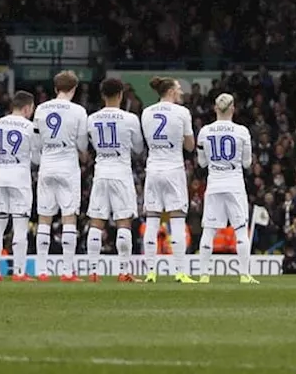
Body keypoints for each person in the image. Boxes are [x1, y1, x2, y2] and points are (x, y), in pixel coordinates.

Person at [85, 78, 144, 283]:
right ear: (121, 95)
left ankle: (93, 271)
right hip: (121, 172)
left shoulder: (91, 118)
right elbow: (138, 148)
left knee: (96, 221)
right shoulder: (130, 119)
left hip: (101, 171)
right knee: (123, 221)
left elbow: (88, 145)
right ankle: (123, 271)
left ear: (102, 95)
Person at [34, 70, 88, 282]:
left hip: (47, 163)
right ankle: (66, 271)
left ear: (56, 88)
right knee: (69, 217)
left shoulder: (41, 109)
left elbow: (36, 143)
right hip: (68, 164)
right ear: (73, 89)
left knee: (44, 218)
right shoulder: (78, 111)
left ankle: (42, 270)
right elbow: (83, 145)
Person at [141, 75, 197, 283]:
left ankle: (150, 273)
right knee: (178, 220)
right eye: (179, 89)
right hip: (173, 169)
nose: (181, 92)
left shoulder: (146, 112)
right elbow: (191, 146)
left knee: (152, 220)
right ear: (171, 91)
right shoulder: (182, 112)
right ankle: (180, 272)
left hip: (153, 169)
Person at [197, 92, 257, 284]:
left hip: (214, 184)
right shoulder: (242, 131)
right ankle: (244, 275)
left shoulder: (205, 131)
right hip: (235, 184)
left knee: (209, 230)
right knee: (241, 230)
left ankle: (204, 275)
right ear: (233, 108)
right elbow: (247, 163)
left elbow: (202, 163)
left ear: (215, 108)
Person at [0, 91, 38, 282]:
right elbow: (35, 157)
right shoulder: (29, 126)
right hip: (20, 178)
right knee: (20, 225)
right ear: (27, 108)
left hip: (1, 176)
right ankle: (18, 272)